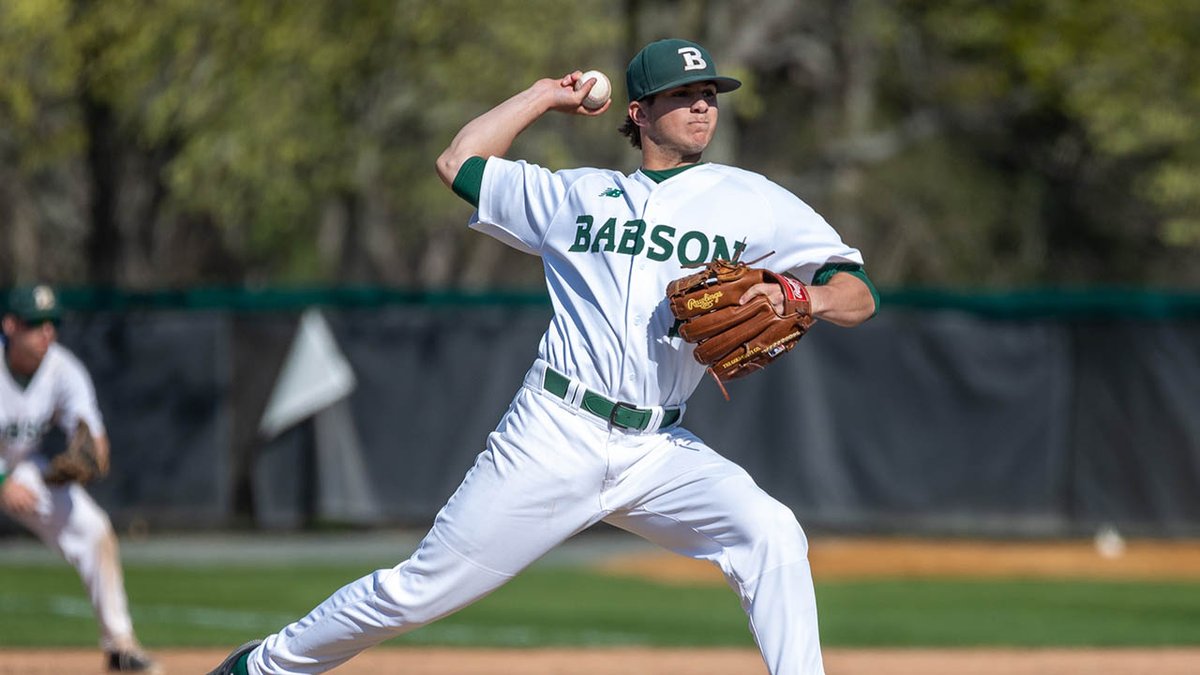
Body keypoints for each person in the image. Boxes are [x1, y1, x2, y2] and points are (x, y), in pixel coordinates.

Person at [210, 37, 878, 675]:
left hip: (659, 447)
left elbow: (857, 290)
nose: (703, 105)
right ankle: (264, 663)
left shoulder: (753, 199)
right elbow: (459, 163)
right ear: (639, 112)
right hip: (556, 431)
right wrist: (541, 96)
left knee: (772, 532)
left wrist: (803, 297)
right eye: (683, 94)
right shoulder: (576, 195)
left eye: (709, 92)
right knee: (417, 590)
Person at [0, 284, 162, 673]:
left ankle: (120, 645)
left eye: (52, 322)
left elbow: (91, 432)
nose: (46, 332)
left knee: (93, 530)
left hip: (21, 469)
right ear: (10, 325)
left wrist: (92, 452)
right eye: (35, 322)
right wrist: (2, 483)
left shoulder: (62, 368)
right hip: (6, 475)